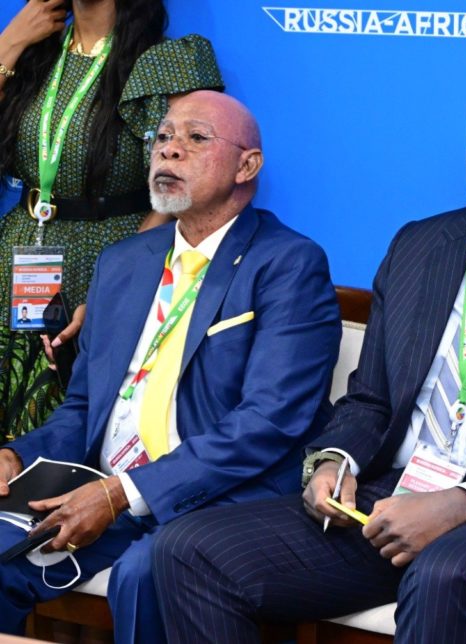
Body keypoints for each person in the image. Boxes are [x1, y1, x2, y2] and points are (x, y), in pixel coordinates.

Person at [151, 70, 466, 644]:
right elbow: (369, 397)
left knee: (444, 574)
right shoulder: (419, 245)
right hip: (393, 494)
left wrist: (461, 503)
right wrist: (335, 461)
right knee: (188, 549)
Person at [0, 90, 340, 644]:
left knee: (149, 573)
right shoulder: (124, 261)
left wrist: (124, 493)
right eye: (162, 138)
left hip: (218, 493)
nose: (169, 151)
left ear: (247, 165)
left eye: (195, 138)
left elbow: (269, 421)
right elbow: (84, 407)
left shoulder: (287, 264)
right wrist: (18, 454)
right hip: (105, 485)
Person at [0, 0, 222, 440]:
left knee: (67, 431)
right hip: (19, 251)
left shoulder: (165, 61)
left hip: (110, 256)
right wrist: (9, 44)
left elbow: (176, 187)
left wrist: (117, 288)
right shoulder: (35, 48)